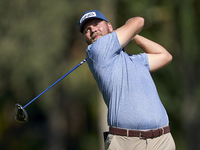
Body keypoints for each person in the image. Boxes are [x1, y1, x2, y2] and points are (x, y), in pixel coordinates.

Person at [78, 10, 176, 150]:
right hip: (126, 142)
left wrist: (133, 35)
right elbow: (138, 21)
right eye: (87, 29)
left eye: (96, 24)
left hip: (162, 141)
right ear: (86, 38)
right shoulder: (96, 50)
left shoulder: (134, 60)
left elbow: (165, 56)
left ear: (109, 27)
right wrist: (128, 31)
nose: (93, 29)